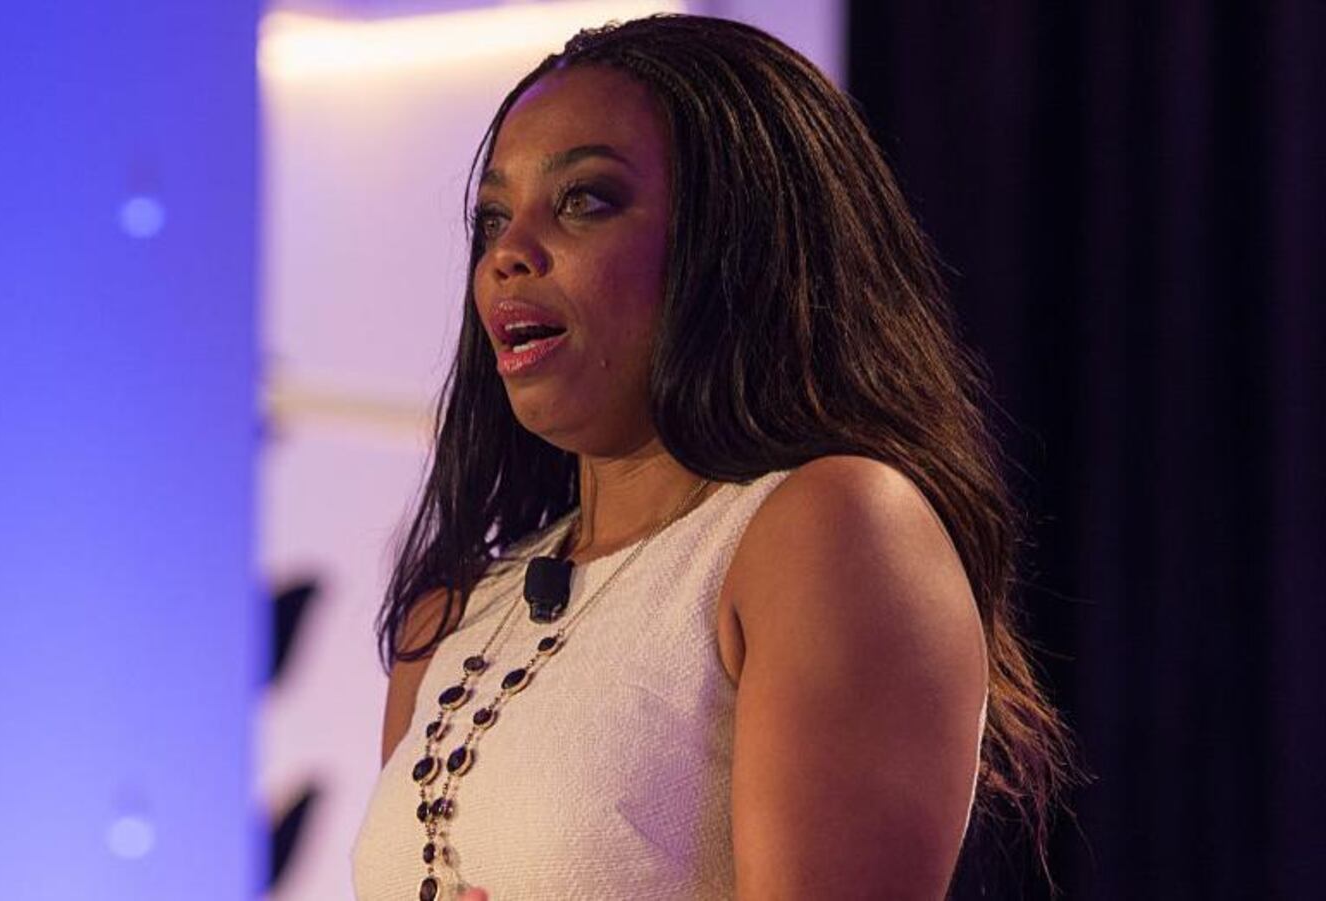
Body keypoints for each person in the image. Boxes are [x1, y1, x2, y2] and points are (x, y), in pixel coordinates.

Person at [350, 14, 1077, 901]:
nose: (509, 253)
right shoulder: (452, 618)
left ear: (737, 240)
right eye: (494, 216)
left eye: (585, 200)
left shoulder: (832, 528)